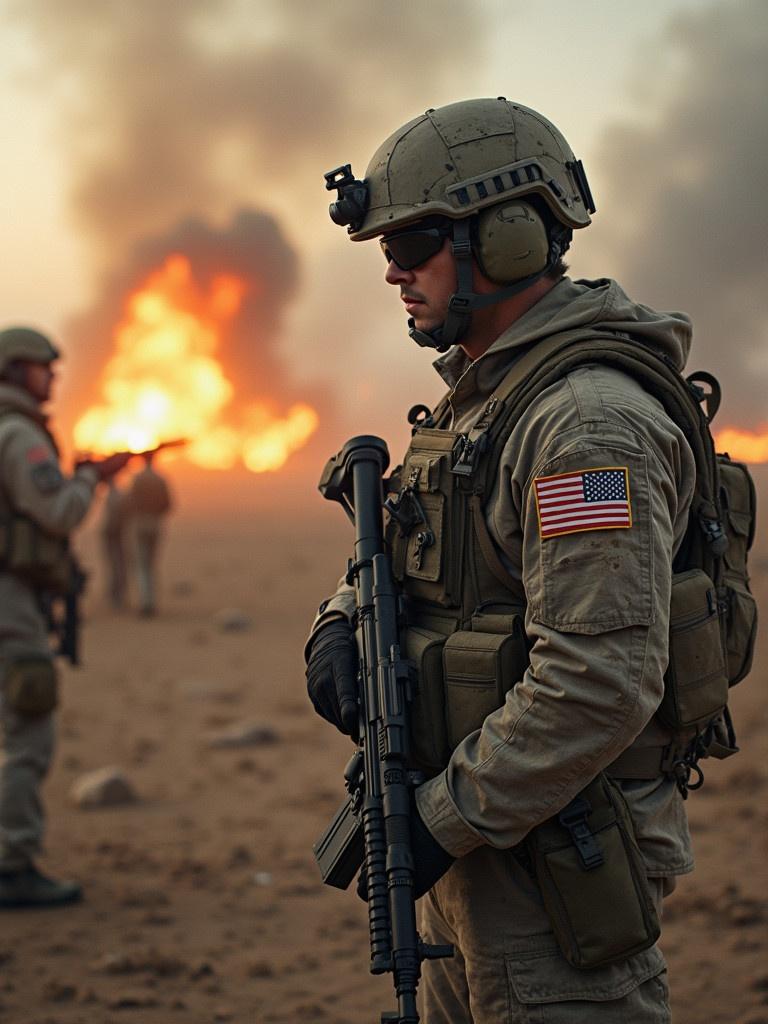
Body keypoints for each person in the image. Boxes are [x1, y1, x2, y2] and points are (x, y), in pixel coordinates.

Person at [305, 99, 702, 1022]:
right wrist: (339, 621)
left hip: (559, 860)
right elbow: (413, 549)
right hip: (478, 821)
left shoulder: (584, 427)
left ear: (513, 234)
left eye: (417, 242)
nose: (395, 271)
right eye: (386, 249)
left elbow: (598, 680)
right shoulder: (487, 397)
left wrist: (437, 823)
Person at [0, 326, 130, 908]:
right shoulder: (19, 434)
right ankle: (11, 863)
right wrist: (89, 481)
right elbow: (56, 511)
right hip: (10, 604)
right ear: (14, 371)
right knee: (28, 733)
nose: (51, 377)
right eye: (41, 367)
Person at [127, 452, 172, 617]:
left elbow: (130, 501)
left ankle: (145, 602)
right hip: (156, 523)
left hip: (140, 523)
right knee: (152, 564)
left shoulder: (138, 479)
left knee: (142, 564)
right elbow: (168, 504)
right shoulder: (160, 479)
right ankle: (151, 601)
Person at [99, 478, 130, 609]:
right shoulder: (116, 495)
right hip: (117, 534)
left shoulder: (114, 496)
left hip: (114, 534)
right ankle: (116, 594)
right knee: (117, 564)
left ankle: (117, 595)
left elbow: (116, 518)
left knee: (117, 564)